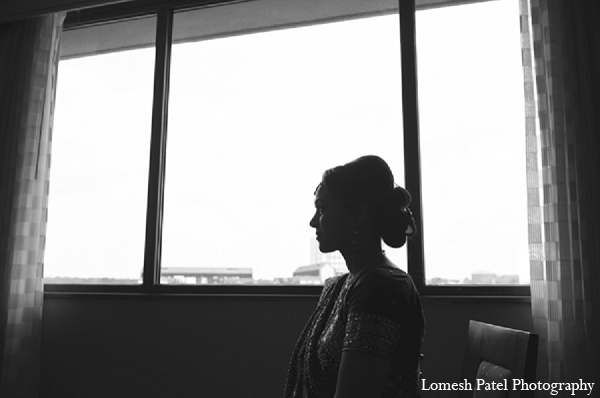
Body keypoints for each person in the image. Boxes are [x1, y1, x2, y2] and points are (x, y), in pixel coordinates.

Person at [283, 155, 425, 398]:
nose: (313, 221)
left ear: (358, 214)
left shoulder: (380, 288)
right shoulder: (343, 284)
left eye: (322, 209)